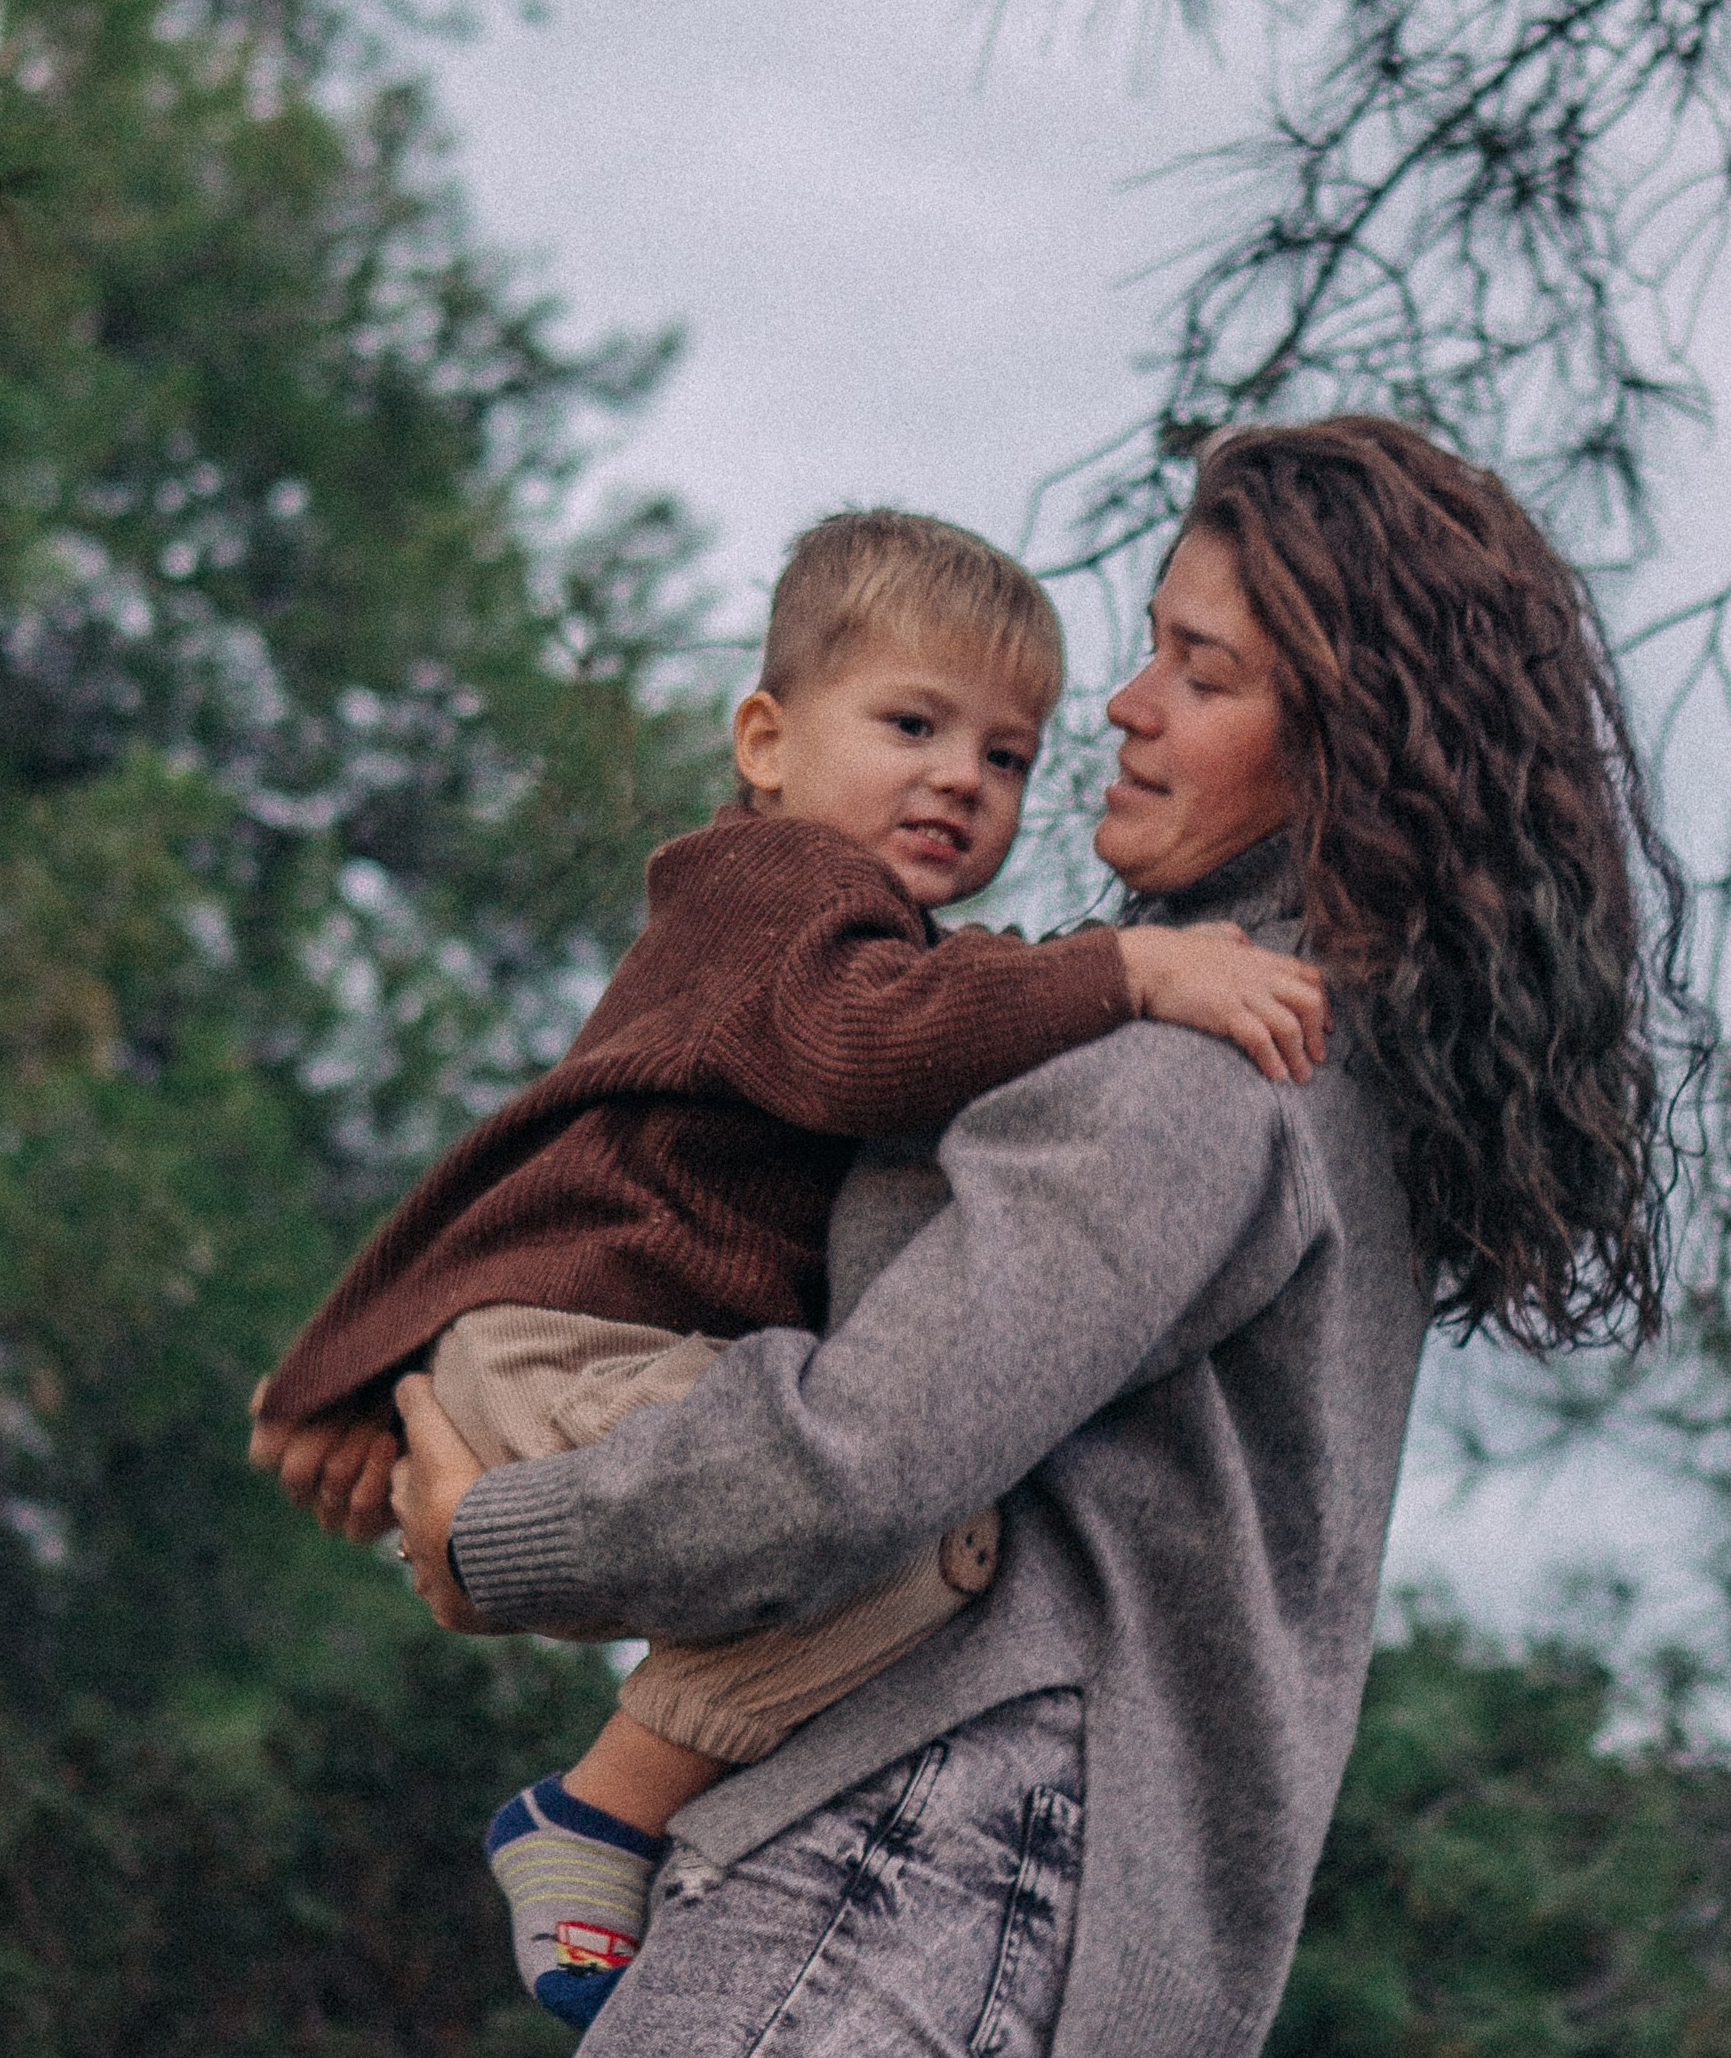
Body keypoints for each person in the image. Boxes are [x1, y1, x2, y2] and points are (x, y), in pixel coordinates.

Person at [386, 418, 1701, 2058]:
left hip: (920, 1851)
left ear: (1350, 738)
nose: (1125, 707)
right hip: (1076, 1914)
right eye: (1149, 648)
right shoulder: (1346, 1076)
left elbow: (863, 1448)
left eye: (1198, 670)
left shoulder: (1196, 1072)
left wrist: (505, 1531)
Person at [249, 509, 1328, 2026]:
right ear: (762, 736)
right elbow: (861, 1046)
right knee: (913, 1544)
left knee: (862, 1547)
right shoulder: (776, 895)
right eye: (908, 723)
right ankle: (598, 1810)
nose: (960, 775)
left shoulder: (861, 935)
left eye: (1005, 755)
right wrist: (1126, 971)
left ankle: (602, 1811)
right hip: (579, 1344)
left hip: (584, 1341)